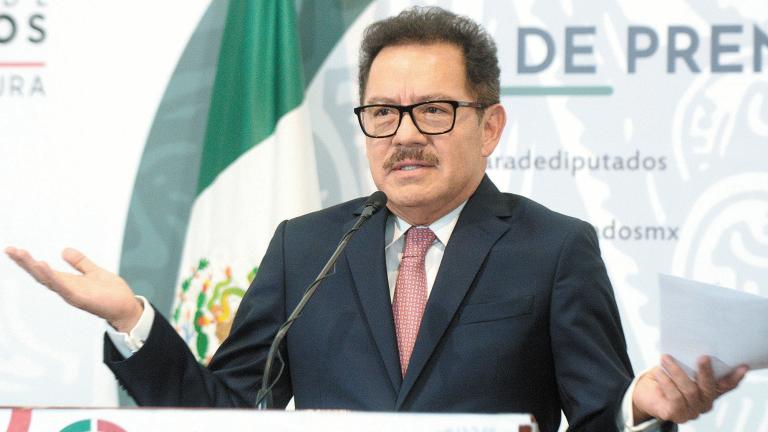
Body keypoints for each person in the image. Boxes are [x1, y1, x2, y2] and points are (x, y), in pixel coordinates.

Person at [5, 6, 747, 432]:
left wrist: (636, 407)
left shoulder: (553, 249)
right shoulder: (308, 247)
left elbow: (595, 417)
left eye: (433, 110)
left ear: (489, 127)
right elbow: (226, 414)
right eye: (384, 112)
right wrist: (134, 319)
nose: (405, 134)